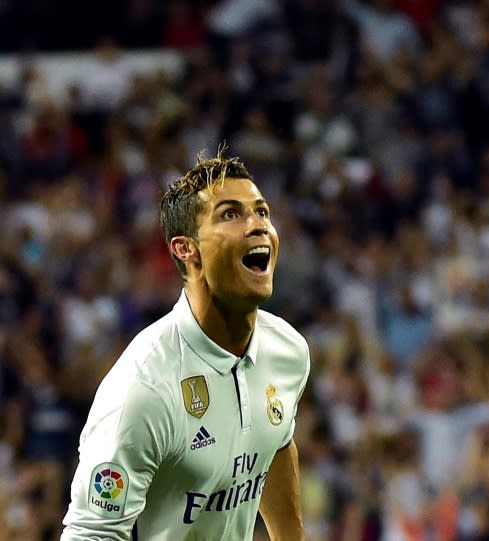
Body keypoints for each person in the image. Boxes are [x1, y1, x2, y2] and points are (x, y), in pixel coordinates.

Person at [61, 149, 310, 540]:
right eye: (230, 214)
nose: (258, 225)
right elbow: (91, 534)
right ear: (186, 248)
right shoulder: (144, 388)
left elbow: (275, 445)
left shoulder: (288, 351)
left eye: (261, 211)